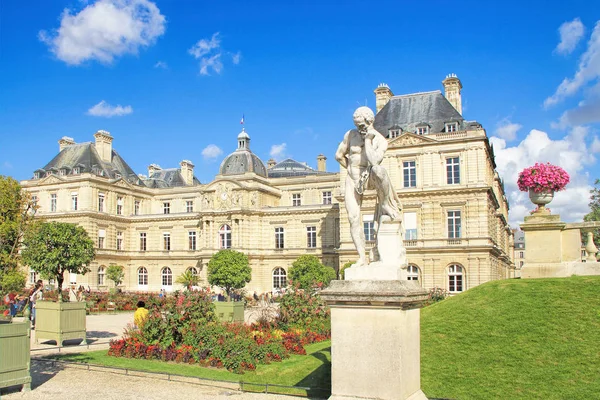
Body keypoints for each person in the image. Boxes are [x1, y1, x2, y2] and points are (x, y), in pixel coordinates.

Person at [335, 106, 402, 267]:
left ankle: (385, 203)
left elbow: (374, 162)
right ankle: (362, 258)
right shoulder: (350, 135)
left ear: (369, 121)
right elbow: (338, 156)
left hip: (370, 176)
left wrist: (367, 140)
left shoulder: (380, 140)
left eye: (362, 125)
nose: (359, 128)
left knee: (380, 171)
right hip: (353, 179)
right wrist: (351, 170)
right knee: (353, 218)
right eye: (357, 125)